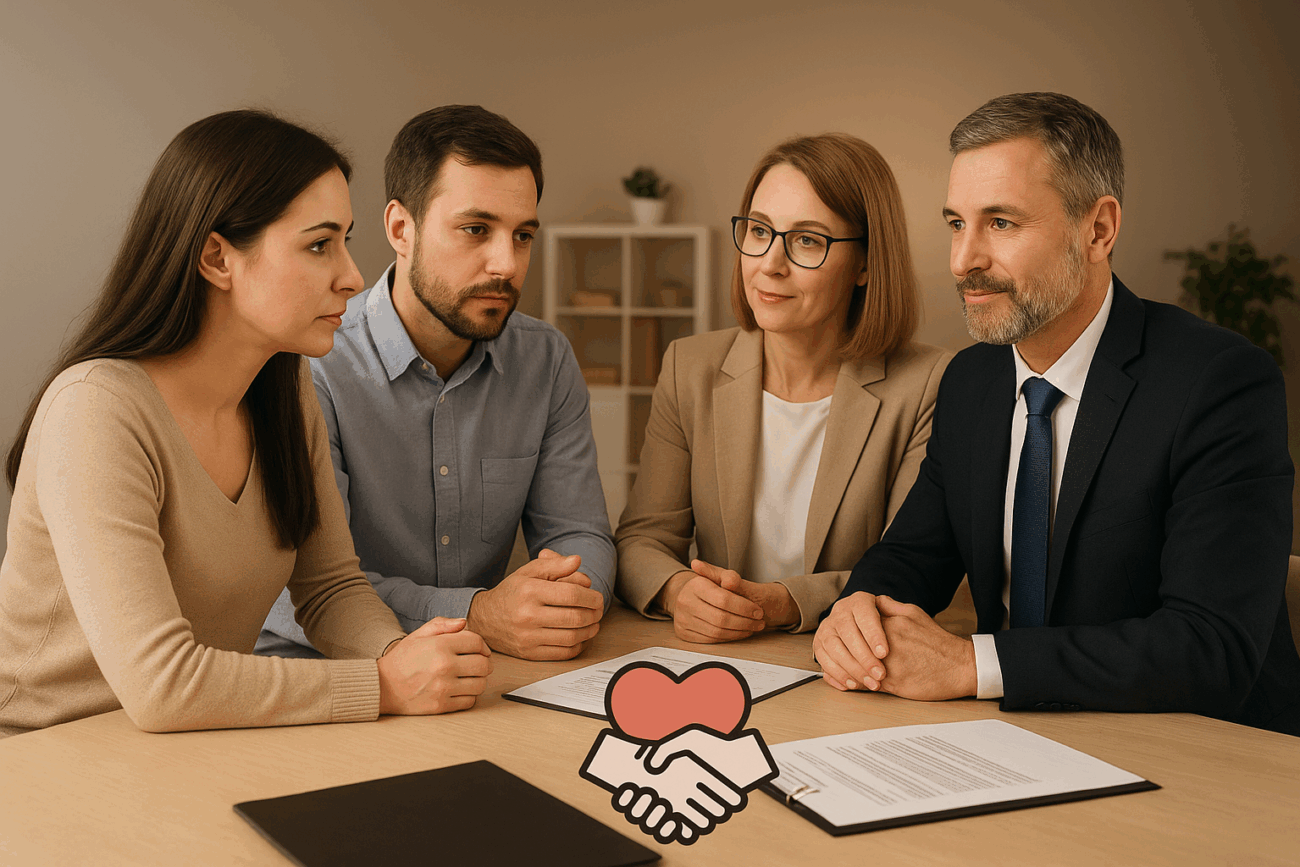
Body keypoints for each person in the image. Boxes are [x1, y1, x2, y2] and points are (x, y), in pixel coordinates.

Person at [814, 92, 1300, 736]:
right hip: (1018, 741)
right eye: (956, 223)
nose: (964, 262)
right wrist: (855, 615)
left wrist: (971, 665)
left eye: (1003, 224)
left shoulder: (1219, 381)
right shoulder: (971, 380)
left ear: (1098, 229)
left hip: (1205, 755)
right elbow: (911, 558)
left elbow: (1212, 647)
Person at [0, 110, 493, 738]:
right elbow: (163, 687)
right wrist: (386, 685)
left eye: (344, 240)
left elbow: (331, 588)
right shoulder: (96, 408)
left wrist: (404, 657)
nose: (353, 276)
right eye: (319, 245)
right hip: (41, 765)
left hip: (193, 751)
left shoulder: (283, 391)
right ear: (217, 258)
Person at [259, 105, 614, 662]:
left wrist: (568, 601)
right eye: (476, 230)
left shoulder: (545, 360)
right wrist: (476, 614)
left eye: (523, 236)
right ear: (402, 228)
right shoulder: (310, 363)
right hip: (325, 673)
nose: (506, 263)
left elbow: (579, 533)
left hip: (481, 671)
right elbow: (297, 589)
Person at [615, 133, 952, 642]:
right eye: (758, 231)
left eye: (807, 240)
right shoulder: (690, 366)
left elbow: (913, 572)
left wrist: (781, 603)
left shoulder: (927, 384)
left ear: (866, 263)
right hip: (714, 659)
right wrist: (679, 589)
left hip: (849, 668)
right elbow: (641, 539)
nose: (770, 263)